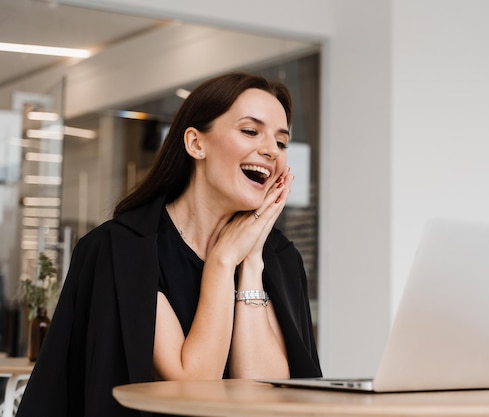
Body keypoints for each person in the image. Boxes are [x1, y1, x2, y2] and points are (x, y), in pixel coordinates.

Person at [16, 72, 322, 417]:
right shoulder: (124, 250)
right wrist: (222, 261)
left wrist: (250, 260)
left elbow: (265, 399)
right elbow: (191, 390)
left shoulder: (279, 259)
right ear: (196, 144)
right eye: (250, 131)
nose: (270, 150)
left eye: (281, 142)